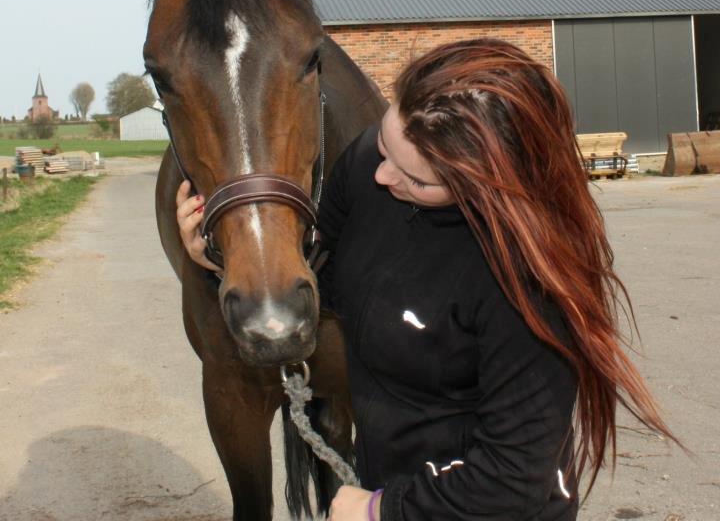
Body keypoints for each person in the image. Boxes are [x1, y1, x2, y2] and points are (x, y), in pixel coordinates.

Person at [177, 38, 673, 521]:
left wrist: (380, 509)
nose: (383, 177)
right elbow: (324, 283)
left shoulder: (530, 287)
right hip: (393, 483)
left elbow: (515, 480)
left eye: (416, 179)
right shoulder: (370, 163)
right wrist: (221, 258)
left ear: (487, 185)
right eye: (386, 144)